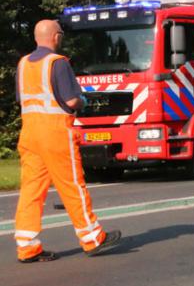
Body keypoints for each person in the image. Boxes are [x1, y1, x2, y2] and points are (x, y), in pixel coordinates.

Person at [14, 20, 121, 263]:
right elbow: (71, 101)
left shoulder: (22, 64)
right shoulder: (58, 62)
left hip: (29, 133)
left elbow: (23, 100)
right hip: (55, 133)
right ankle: (93, 238)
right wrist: (83, 100)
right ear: (55, 37)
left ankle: (27, 246)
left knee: (31, 190)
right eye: (60, 34)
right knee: (73, 185)